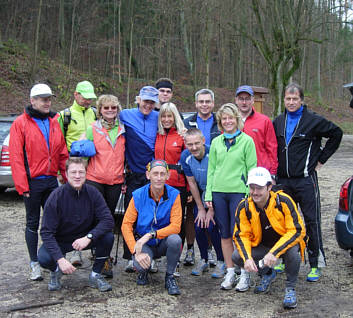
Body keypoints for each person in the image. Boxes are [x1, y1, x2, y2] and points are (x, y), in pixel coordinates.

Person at [273, 82, 343, 282]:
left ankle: (315, 263)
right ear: (284, 100)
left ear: (302, 100)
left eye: (295, 99)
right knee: (282, 222)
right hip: (283, 181)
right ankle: (283, 258)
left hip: (305, 181)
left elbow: (336, 134)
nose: (292, 102)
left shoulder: (312, 120)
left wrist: (321, 159)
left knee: (311, 221)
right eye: (288, 99)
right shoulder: (278, 121)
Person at [9, 83, 68, 281]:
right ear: (32, 101)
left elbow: (61, 151)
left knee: (55, 221)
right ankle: (34, 263)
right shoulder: (20, 123)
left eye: (49, 99)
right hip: (32, 182)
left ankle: (55, 260)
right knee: (33, 222)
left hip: (51, 180)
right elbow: (16, 156)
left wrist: (67, 178)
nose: (47, 102)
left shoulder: (53, 120)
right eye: (43, 99)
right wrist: (22, 185)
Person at [232, 167, 306, 309]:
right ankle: (267, 273)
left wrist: (274, 253)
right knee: (237, 256)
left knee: (293, 254)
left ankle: (290, 288)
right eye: (251, 187)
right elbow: (241, 235)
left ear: (269, 187)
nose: (254, 192)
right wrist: (247, 258)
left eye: (259, 188)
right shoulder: (244, 206)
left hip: (285, 243)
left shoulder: (283, 201)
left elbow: (297, 230)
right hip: (263, 245)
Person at [38, 157, 115, 292]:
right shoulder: (55, 197)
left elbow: (108, 220)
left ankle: (96, 274)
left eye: (81, 172)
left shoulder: (93, 192)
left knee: (108, 236)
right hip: (61, 240)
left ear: (86, 174)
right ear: (66, 174)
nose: (77, 176)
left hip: (85, 238)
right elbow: (46, 232)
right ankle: (56, 271)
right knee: (44, 258)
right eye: (73, 172)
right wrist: (60, 259)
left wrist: (89, 237)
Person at [205, 103, 257, 290]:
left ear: (237, 119)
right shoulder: (216, 142)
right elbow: (211, 170)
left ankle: (244, 273)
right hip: (219, 192)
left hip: (239, 192)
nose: (227, 121)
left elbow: (252, 169)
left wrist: (250, 192)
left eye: (230, 118)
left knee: (239, 234)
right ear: (220, 122)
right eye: (224, 118)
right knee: (224, 234)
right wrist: (208, 193)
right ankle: (230, 272)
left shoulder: (247, 141)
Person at [121, 160, 182, 295]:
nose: (159, 178)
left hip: (162, 241)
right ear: (148, 175)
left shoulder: (174, 195)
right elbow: (126, 225)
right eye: (155, 174)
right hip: (145, 244)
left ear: (168, 176)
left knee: (175, 240)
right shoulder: (137, 195)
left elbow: (176, 226)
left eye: (162, 174)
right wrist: (135, 250)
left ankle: (170, 276)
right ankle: (144, 271)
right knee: (139, 265)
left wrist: (152, 234)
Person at [82, 94, 125, 278]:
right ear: (99, 110)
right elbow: (82, 154)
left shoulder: (123, 129)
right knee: (98, 218)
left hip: (115, 181)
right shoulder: (92, 129)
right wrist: (80, 178)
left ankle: (103, 254)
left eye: (113, 108)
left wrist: (125, 177)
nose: (110, 111)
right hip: (95, 180)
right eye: (106, 108)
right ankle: (101, 256)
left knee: (108, 219)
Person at [119, 85, 159, 271]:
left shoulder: (158, 117)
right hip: (133, 174)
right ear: (138, 100)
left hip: (152, 173)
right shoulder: (125, 115)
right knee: (131, 215)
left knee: (152, 215)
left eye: (152, 102)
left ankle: (152, 255)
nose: (148, 105)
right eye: (145, 101)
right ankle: (130, 256)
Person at [58, 80, 97, 266]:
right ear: (76, 94)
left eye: (91, 98)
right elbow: (57, 144)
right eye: (85, 97)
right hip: (70, 171)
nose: (88, 101)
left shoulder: (95, 114)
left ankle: (91, 245)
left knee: (89, 210)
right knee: (71, 211)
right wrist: (61, 171)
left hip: (92, 171)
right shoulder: (64, 115)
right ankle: (73, 251)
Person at [183, 88, 221, 266]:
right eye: (201, 101)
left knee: (213, 223)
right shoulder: (187, 123)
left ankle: (218, 257)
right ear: (196, 103)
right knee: (197, 220)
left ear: (213, 103)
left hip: (215, 183)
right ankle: (202, 256)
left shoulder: (219, 123)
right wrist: (201, 206)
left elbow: (217, 172)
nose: (204, 105)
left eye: (207, 101)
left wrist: (210, 204)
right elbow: (190, 179)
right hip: (196, 183)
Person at [180, 128, 225, 278]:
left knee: (211, 226)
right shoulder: (185, 156)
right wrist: (200, 208)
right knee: (199, 225)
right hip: (200, 193)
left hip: (217, 190)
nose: (193, 147)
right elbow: (191, 183)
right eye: (190, 144)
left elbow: (217, 179)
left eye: (196, 143)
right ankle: (204, 259)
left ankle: (221, 261)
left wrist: (210, 209)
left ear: (203, 141)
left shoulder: (214, 153)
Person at [154, 102, 187, 276]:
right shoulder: (157, 135)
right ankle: (154, 257)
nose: (167, 120)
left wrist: (188, 189)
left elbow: (189, 164)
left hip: (178, 185)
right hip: (159, 184)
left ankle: (175, 261)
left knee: (177, 223)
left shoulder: (182, 136)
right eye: (163, 116)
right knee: (158, 220)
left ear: (175, 117)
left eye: (170, 116)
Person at [235, 85, 278, 176]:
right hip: (236, 172)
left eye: (247, 99)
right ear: (236, 100)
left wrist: (273, 172)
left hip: (260, 172)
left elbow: (272, 148)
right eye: (241, 99)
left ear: (253, 100)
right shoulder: (229, 121)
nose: (244, 102)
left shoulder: (264, 121)